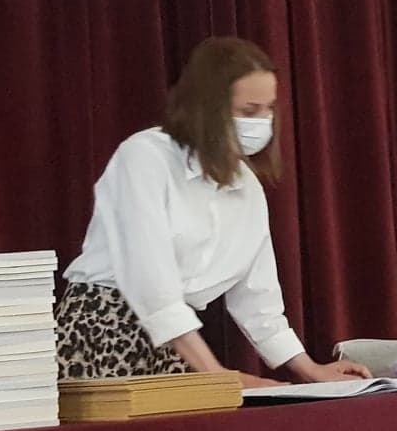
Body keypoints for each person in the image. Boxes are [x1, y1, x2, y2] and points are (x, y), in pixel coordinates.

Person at [56, 37, 368, 387]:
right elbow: (150, 282)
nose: (262, 122)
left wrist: (309, 370)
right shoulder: (145, 157)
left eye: (268, 109)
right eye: (249, 111)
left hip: (180, 342)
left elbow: (258, 300)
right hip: (104, 327)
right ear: (208, 108)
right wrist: (218, 376)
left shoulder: (246, 186)